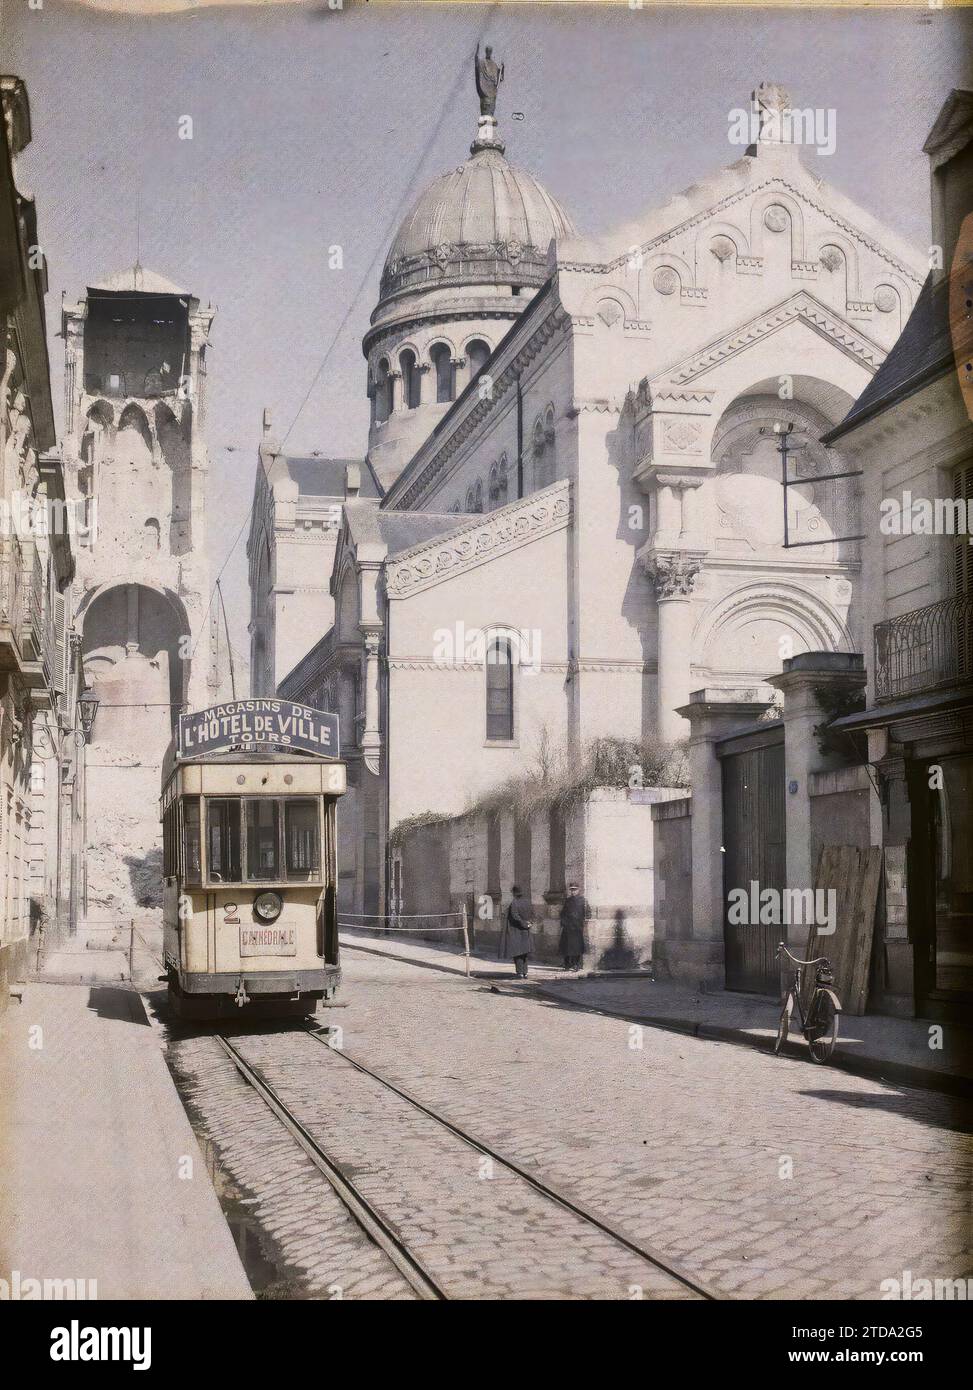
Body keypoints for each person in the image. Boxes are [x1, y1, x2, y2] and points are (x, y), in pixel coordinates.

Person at [500, 885, 532, 978]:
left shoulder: (514, 903)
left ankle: (520, 973)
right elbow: (533, 914)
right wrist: (529, 924)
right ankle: (525, 972)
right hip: (526, 931)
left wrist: (524, 924)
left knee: (517, 953)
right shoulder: (527, 902)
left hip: (516, 931)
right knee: (524, 953)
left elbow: (515, 916)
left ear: (514, 893)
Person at [559, 882, 588, 972]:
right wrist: (564, 922)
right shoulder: (567, 900)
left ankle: (576, 965)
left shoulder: (583, 900)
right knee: (566, 947)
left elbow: (588, 912)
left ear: (578, 890)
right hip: (567, 927)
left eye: (574, 890)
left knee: (577, 947)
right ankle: (567, 964)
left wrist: (581, 921)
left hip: (577, 928)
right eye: (571, 890)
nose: (573, 891)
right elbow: (562, 913)